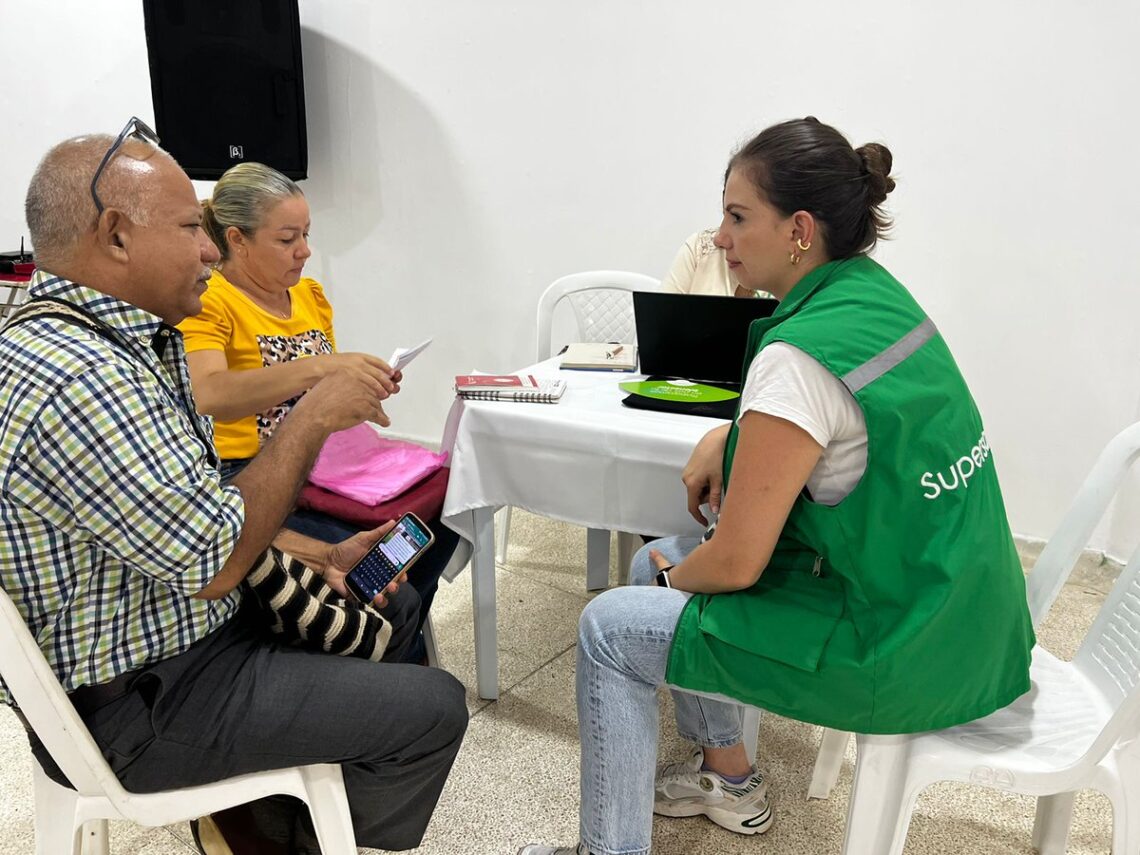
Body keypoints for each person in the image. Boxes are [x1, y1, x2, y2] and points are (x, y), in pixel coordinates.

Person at [521, 117, 1035, 855]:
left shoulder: (794, 357)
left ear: (798, 229)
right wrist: (732, 434)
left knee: (610, 625)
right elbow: (848, 424)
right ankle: (728, 778)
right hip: (963, 610)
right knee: (651, 563)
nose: (718, 237)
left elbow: (735, 563)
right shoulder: (872, 296)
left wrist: (676, 582)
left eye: (737, 217)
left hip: (898, 642)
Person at [0, 123, 467, 853]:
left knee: (391, 600)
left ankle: (273, 806)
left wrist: (317, 554)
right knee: (434, 709)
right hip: (148, 697)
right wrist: (311, 415)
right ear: (117, 236)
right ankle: (284, 833)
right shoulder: (83, 381)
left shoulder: (90, 343)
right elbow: (216, 565)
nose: (211, 248)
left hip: (163, 628)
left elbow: (184, 509)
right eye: (192, 226)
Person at [177, 161, 459, 664]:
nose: (305, 251)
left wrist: (357, 391)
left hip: (322, 466)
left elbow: (313, 399)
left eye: (306, 235)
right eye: (287, 239)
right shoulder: (210, 301)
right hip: (251, 476)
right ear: (237, 240)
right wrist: (320, 371)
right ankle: (392, 662)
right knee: (392, 593)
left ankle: (394, 648)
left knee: (448, 517)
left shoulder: (308, 296)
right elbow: (209, 393)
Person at [660, 227, 772, 298]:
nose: (717, 240)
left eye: (738, 218)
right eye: (724, 214)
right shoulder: (700, 247)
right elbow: (658, 319)